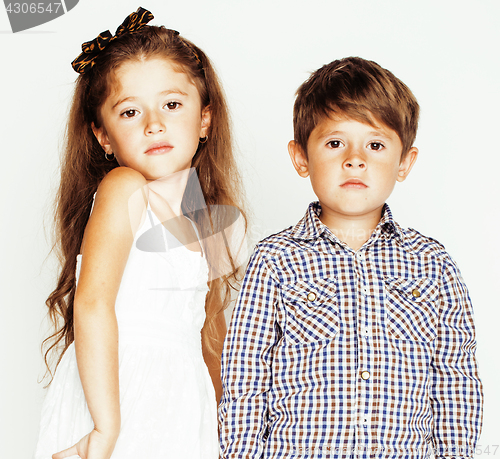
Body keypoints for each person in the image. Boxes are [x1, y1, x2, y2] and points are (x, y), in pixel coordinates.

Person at [219, 57, 483, 458]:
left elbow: (455, 375)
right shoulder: (275, 260)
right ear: (301, 157)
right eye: (335, 142)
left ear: (405, 163)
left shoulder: (434, 264)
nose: (355, 159)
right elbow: (245, 373)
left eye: (375, 145)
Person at [33, 7, 246, 459]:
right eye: (130, 112)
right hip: (117, 396)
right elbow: (93, 304)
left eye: (172, 104)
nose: (154, 123)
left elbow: (208, 335)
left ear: (205, 118)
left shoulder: (203, 222)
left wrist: (224, 422)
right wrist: (106, 427)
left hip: (180, 409)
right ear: (103, 136)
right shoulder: (124, 188)